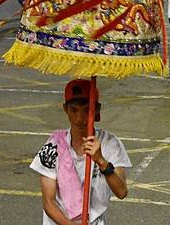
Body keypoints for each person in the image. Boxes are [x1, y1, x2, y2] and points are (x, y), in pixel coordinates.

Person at [30, 79, 131, 225]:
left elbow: (121, 192)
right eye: (74, 110)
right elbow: (48, 203)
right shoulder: (53, 146)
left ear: (96, 109)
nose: (80, 118)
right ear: (65, 109)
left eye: (86, 110)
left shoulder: (110, 144)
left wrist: (101, 161)